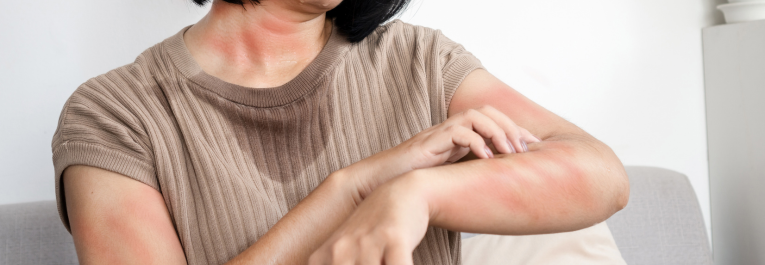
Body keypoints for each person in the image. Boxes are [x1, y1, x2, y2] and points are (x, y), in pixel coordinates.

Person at [51, 0, 629, 264]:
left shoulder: (417, 59)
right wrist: (355, 190)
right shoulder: (116, 114)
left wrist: (419, 193)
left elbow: (599, 175)